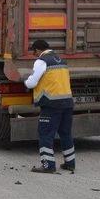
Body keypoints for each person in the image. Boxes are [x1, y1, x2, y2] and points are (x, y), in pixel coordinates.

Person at [24, 40, 76, 174]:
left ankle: (48, 165)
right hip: (67, 102)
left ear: (37, 50)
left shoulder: (42, 61)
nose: (34, 54)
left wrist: (26, 81)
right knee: (65, 133)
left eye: (34, 51)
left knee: (45, 134)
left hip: (51, 104)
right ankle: (70, 163)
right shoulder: (60, 60)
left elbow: (32, 83)